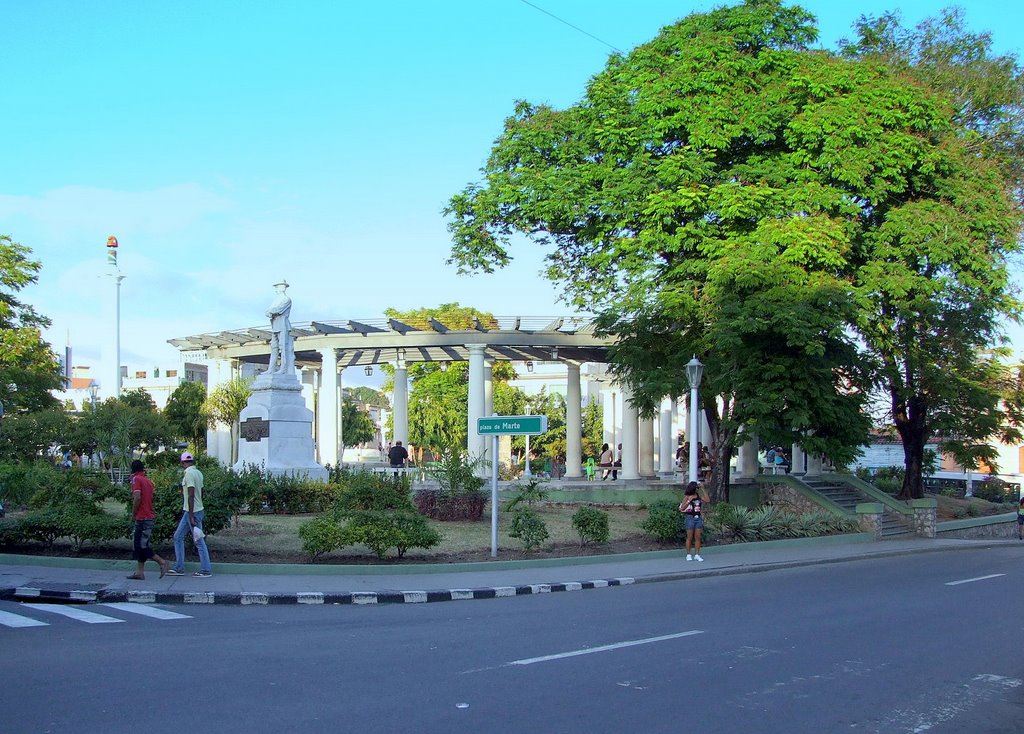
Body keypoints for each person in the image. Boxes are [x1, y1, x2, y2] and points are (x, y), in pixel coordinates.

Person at [167, 451, 213, 578]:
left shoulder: (188, 474)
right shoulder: (198, 473)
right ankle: (179, 567)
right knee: (178, 536)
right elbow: (201, 492)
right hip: (194, 510)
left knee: (198, 540)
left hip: (192, 512)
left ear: (182, 463)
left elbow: (191, 495)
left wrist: (191, 515)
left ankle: (206, 570)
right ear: (191, 461)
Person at [126, 460, 170, 580]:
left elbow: (137, 497)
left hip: (142, 517)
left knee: (140, 546)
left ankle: (161, 562)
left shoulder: (136, 480)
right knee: (142, 544)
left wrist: (133, 512)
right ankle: (140, 572)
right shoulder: (148, 481)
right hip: (149, 515)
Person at [266, 280, 294, 375]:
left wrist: (271, 311)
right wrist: (270, 311)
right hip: (275, 325)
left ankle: (284, 368)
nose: (276, 289)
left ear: (282, 288)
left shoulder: (286, 299)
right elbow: (267, 311)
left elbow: (278, 310)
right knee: (274, 347)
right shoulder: (276, 300)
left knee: (283, 347)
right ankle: (271, 369)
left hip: (283, 325)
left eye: (277, 287)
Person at [679, 480, 708, 562]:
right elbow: (681, 508)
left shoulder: (699, 496)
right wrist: (689, 501)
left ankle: (697, 554)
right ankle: (688, 554)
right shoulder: (688, 496)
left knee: (698, 537)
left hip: (698, 518)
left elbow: (707, 500)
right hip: (690, 518)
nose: (697, 489)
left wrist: (703, 489)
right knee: (689, 537)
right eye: (697, 488)